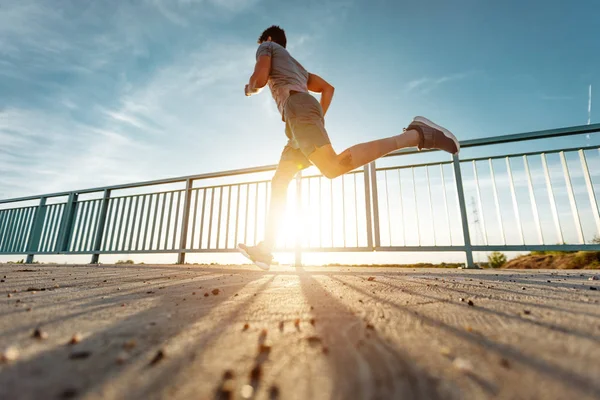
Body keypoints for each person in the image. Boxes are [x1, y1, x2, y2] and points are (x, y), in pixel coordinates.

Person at [238, 25, 459, 270]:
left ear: (268, 39)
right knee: (280, 181)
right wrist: (317, 117)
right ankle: (266, 249)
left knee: (332, 167)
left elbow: (259, 80)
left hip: (298, 112)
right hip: (297, 122)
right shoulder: (298, 68)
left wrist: (249, 89)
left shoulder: (266, 47)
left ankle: (417, 135)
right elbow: (327, 89)